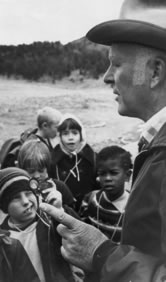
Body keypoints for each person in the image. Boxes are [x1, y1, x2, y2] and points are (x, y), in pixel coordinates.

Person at [39, 3, 166, 281]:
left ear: (155, 72)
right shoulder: (155, 141)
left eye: (117, 64)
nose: (107, 76)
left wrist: (101, 253)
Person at [0, 167, 78, 282]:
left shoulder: (48, 223)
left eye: (28, 193)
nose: (26, 201)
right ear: (5, 206)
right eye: (16, 198)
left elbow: (77, 235)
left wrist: (60, 211)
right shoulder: (4, 239)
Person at [79, 145, 132, 242]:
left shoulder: (135, 207)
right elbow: (83, 231)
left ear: (127, 175)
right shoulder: (90, 200)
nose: (107, 178)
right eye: (102, 173)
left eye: (114, 173)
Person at [51, 113, 98, 211]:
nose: (70, 137)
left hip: (88, 208)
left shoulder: (91, 157)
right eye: (65, 133)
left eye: (75, 133)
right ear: (60, 136)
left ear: (81, 135)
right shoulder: (53, 160)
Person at [17, 139, 75, 209]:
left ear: (47, 168)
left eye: (41, 171)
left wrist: (59, 207)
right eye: (31, 171)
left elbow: (74, 216)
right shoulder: (19, 193)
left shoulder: (60, 188)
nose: (37, 176)